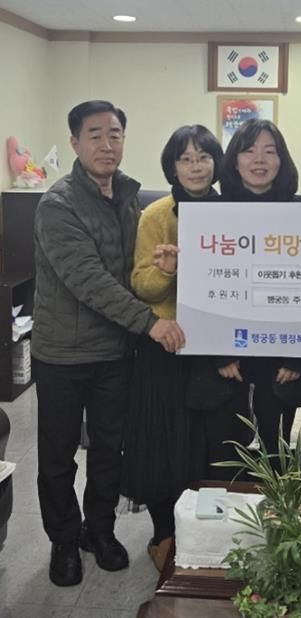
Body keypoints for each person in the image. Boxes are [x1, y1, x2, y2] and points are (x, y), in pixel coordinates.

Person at [32, 100, 185, 587]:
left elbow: (133, 271)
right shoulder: (57, 205)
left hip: (116, 352)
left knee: (108, 449)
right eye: (95, 135)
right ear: (75, 142)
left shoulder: (128, 197)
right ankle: (63, 538)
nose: (106, 144)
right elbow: (89, 280)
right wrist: (149, 323)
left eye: (115, 134)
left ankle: (99, 530)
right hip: (63, 353)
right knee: (58, 455)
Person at [122, 124, 250, 571]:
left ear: (217, 162)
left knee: (216, 447)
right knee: (164, 447)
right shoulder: (156, 214)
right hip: (169, 350)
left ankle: (211, 535)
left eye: (203, 157)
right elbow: (141, 285)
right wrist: (167, 271)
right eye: (185, 159)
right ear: (172, 166)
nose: (196, 167)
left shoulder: (234, 211)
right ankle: (165, 535)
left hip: (220, 354)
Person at [217, 118, 301, 456]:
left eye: (269, 151)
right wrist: (220, 351)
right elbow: (203, 288)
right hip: (229, 356)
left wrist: (296, 355)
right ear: (234, 161)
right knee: (228, 450)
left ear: (281, 160)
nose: (259, 159)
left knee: (277, 452)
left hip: (282, 355)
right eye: (249, 151)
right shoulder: (213, 212)